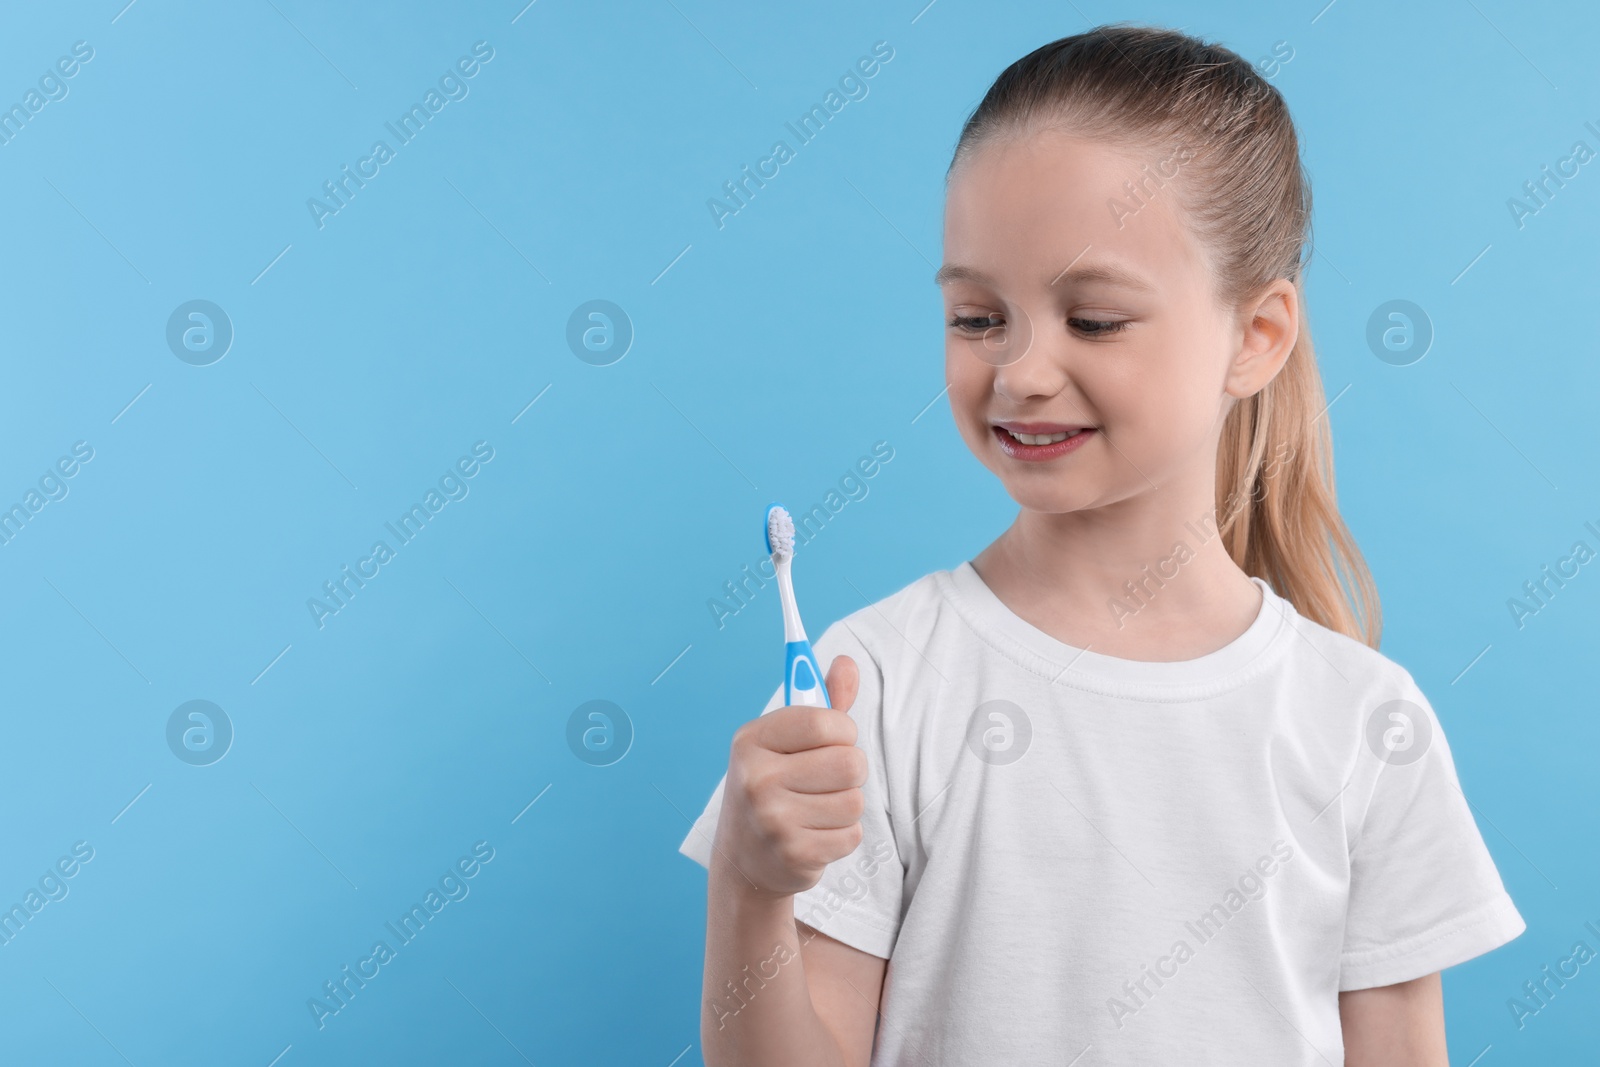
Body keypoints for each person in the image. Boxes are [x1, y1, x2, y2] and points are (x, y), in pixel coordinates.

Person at [679, 23, 1524, 1066]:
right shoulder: (871, 690)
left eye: (1092, 318)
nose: (1021, 370)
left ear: (1255, 336)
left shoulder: (1365, 722)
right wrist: (748, 887)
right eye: (978, 316)